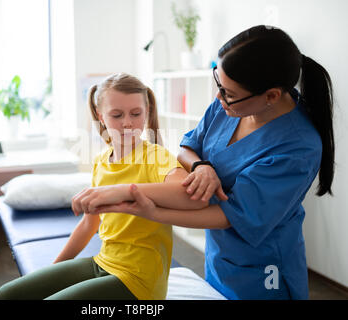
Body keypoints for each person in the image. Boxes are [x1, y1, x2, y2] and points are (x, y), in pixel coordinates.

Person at [74, 25, 335, 300]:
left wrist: (149, 210)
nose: (219, 97)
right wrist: (202, 166)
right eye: (219, 85)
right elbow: (188, 147)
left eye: (228, 93)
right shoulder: (231, 103)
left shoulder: (297, 148)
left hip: (265, 269)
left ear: (270, 96)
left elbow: (231, 216)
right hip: (220, 257)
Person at [0, 73, 207, 300]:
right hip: (103, 262)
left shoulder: (155, 156)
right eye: (117, 115)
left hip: (139, 279)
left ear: (147, 113)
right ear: (101, 116)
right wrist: (52, 271)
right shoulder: (101, 161)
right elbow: (88, 224)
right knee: (6, 296)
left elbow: (188, 196)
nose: (128, 122)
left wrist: (125, 191)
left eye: (136, 114)